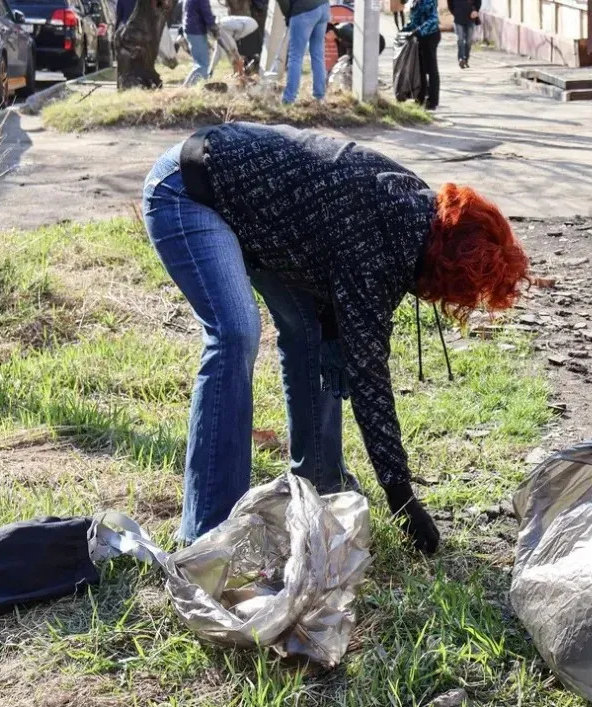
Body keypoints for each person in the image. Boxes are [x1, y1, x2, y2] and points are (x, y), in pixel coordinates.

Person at [141, 123, 528, 554]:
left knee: (314, 333)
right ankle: (206, 534)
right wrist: (402, 499)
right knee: (236, 333)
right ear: (448, 268)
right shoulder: (384, 241)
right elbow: (369, 378)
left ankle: (321, 485)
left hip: (255, 208)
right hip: (188, 188)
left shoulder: (419, 218)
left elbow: (342, 300)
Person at [277, 0, 330, 104]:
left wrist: (288, 17)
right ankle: (320, 96)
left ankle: (289, 99)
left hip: (303, 10)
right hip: (323, 7)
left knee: (295, 56)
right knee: (318, 54)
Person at [402, 0, 440, 109]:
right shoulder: (415, 1)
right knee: (420, 69)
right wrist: (405, 30)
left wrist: (417, 30)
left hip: (430, 35)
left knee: (431, 69)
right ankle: (420, 98)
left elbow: (433, 19)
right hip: (419, 37)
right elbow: (414, 19)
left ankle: (433, 101)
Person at [182, 0, 216, 85]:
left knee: (199, 63)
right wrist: (213, 26)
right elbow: (206, 12)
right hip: (196, 31)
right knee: (203, 64)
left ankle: (190, 86)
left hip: (190, 29)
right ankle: (189, 87)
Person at [448, 0, 479, 69]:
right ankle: (461, 59)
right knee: (460, 39)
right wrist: (455, 13)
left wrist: (476, 10)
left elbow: (478, 2)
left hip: (470, 18)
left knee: (468, 41)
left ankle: (466, 59)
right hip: (458, 18)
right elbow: (450, 4)